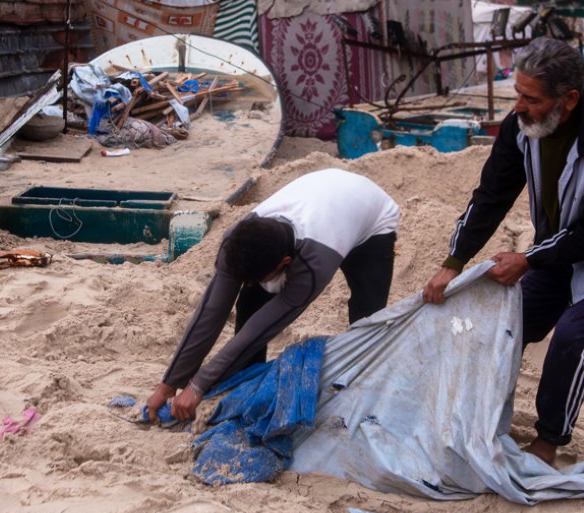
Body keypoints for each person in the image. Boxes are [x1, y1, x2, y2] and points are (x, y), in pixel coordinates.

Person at [421, 37, 584, 466]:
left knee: (573, 337)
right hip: (558, 248)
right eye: (516, 93)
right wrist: (453, 262)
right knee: (507, 324)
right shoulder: (522, 129)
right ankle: (478, 420)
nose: (518, 106)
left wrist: (529, 259)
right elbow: (491, 197)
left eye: (530, 98)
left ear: (569, 99)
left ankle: (548, 441)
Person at [147, 168, 400, 422]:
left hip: (370, 217)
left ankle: (363, 397)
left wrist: (198, 386)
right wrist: (169, 383)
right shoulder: (236, 240)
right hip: (322, 193)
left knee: (366, 318)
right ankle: (245, 386)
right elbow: (211, 311)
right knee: (252, 298)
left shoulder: (313, 268)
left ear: (285, 263)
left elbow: (261, 328)